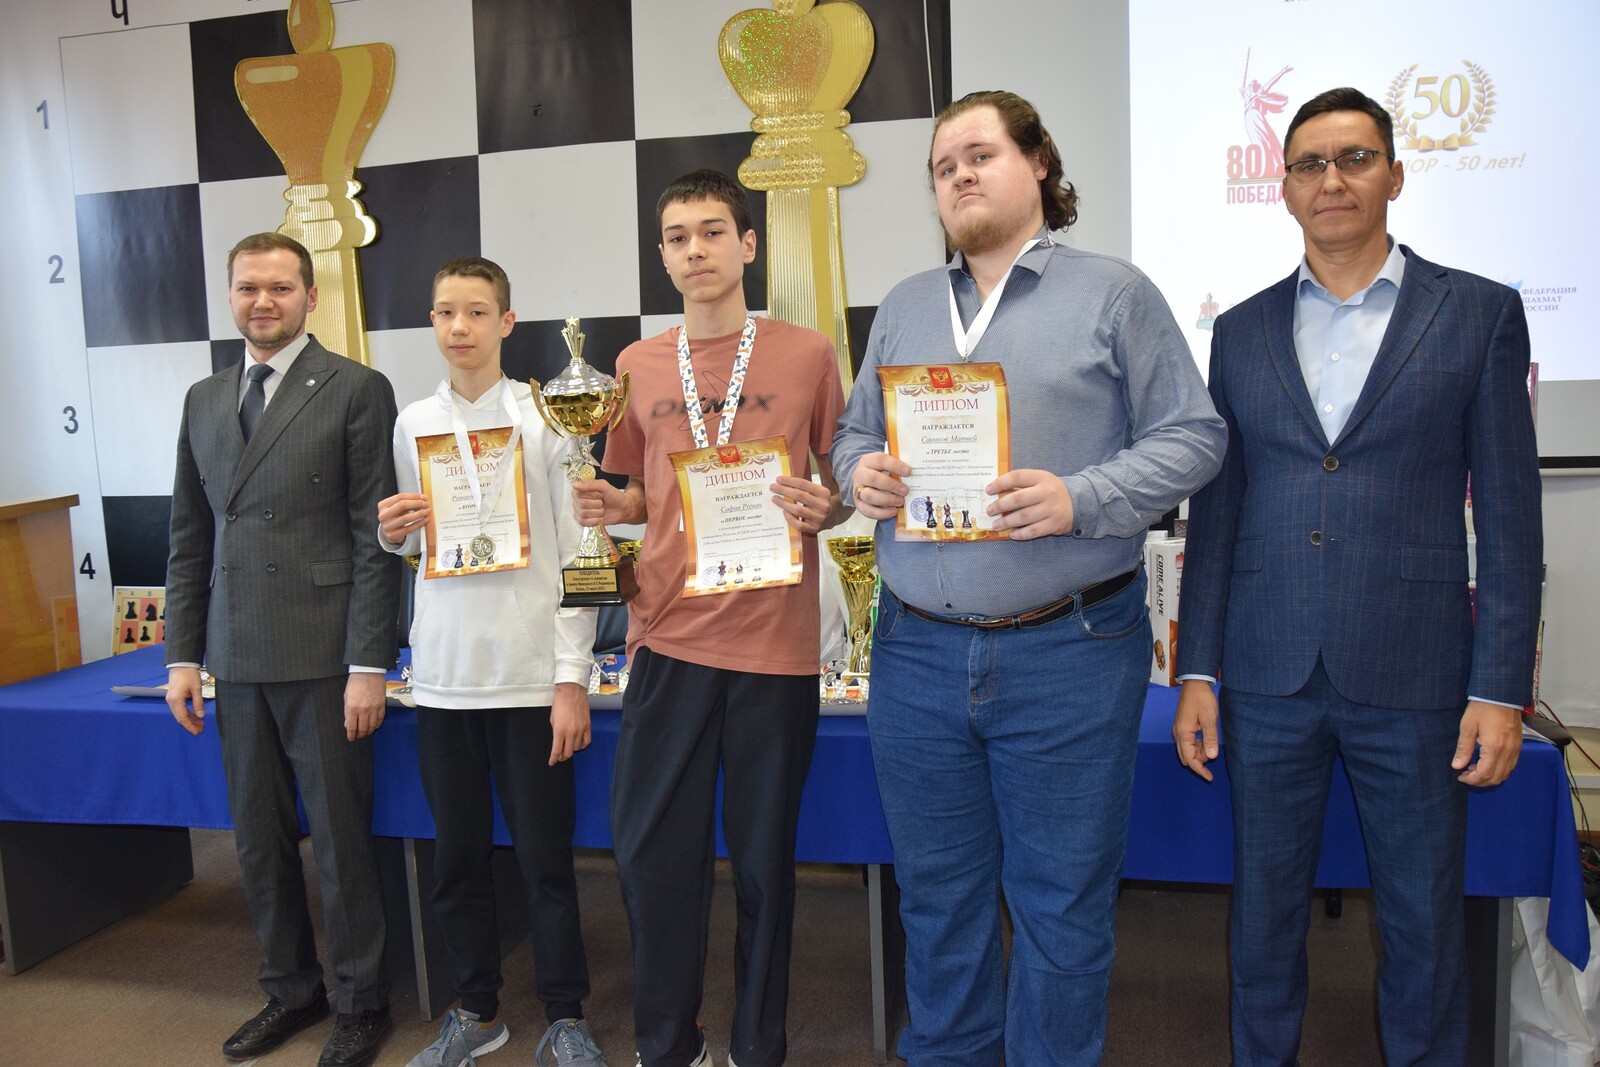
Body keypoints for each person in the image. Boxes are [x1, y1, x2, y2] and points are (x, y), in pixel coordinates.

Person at [830, 90, 1226, 1065]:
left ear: (1039, 163)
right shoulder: (907, 306)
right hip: (915, 650)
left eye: (980, 154)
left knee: (1059, 903)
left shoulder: (1113, 293)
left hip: (1068, 648)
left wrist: (1081, 497)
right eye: (942, 166)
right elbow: (853, 432)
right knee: (936, 896)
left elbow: (1194, 436)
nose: (958, 175)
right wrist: (859, 471)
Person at [1172, 86, 1543, 1065]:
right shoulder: (1240, 330)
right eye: (1309, 164)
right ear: (1285, 188)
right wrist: (1196, 668)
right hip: (1266, 671)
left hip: (1417, 673)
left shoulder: (1477, 313)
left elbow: (1512, 519)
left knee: (1423, 928)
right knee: (1261, 922)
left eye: (1354, 158)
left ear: (1394, 175)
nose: (1330, 179)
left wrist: (1500, 686)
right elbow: (1218, 511)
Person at [571, 169, 848, 1067]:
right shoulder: (635, 364)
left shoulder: (808, 353)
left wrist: (829, 507)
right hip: (668, 636)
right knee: (654, 856)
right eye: (678, 236)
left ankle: (757, 1045)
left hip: (774, 645)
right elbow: (637, 492)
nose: (696, 250)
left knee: (765, 864)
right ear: (663, 255)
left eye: (713, 231)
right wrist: (609, 507)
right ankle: (668, 1043)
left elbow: (841, 484)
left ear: (748, 244)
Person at [164, 232, 401, 1067]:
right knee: (257, 841)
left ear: (310, 296)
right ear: (230, 295)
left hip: (324, 655)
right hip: (235, 653)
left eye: (279, 287)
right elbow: (189, 537)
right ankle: (290, 989)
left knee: (339, 842)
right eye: (248, 287)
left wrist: (369, 663)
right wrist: (182, 657)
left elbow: (375, 539)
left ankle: (362, 1001)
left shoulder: (356, 387)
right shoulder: (203, 397)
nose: (262, 301)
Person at [376, 257, 610, 1067]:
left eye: (477, 311)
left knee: (546, 863)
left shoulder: (547, 417)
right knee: (456, 862)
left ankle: (565, 1016)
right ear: (432, 322)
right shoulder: (412, 422)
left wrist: (571, 678)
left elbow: (584, 549)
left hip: (530, 677)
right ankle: (476, 1011)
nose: (460, 327)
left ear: (507, 322)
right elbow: (415, 543)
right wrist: (392, 534)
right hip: (443, 678)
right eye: (446, 312)